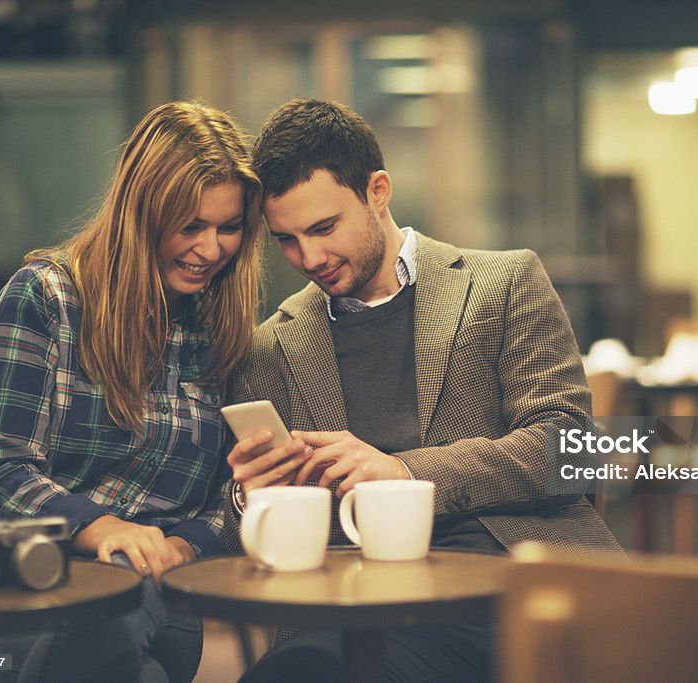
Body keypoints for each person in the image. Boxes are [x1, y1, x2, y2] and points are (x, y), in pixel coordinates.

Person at [222, 98, 621, 682]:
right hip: (352, 601)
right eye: (286, 240)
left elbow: (576, 452)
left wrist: (404, 473)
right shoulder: (271, 347)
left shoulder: (503, 283)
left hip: (508, 583)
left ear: (377, 190)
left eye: (324, 228)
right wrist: (251, 499)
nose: (309, 258)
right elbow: (249, 542)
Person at [0, 101, 265, 682]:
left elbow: (228, 494)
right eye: (190, 226)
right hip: (8, 598)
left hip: (156, 594)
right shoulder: (44, 298)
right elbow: (1, 473)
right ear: (142, 214)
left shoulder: (222, 329)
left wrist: (185, 546)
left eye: (229, 228)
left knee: (130, 609)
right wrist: (104, 529)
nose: (211, 250)